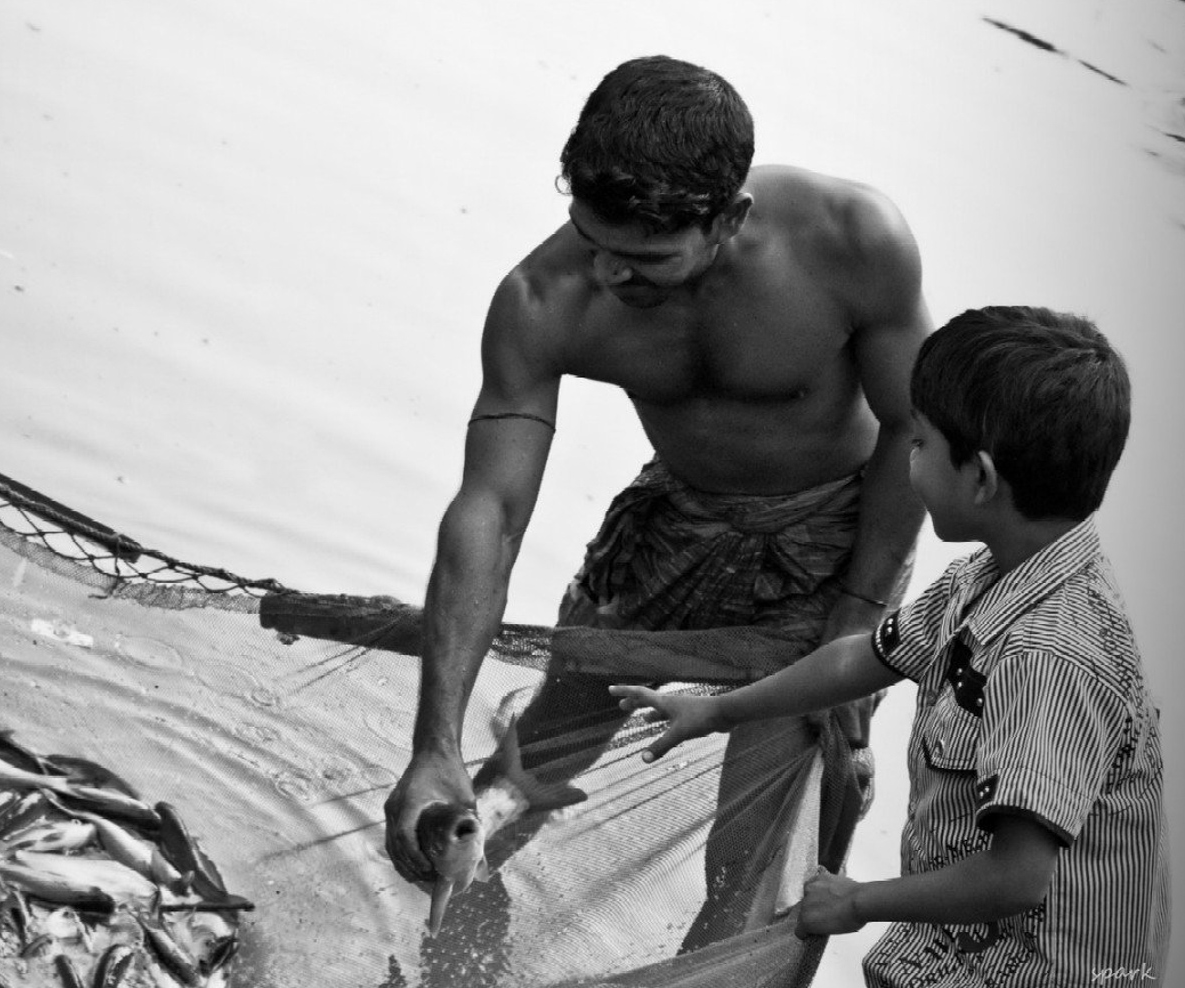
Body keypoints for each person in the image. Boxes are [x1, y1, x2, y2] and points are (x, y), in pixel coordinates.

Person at [384, 54, 931, 945]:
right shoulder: (539, 299)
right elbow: (491, 512)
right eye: (592, 241)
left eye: (645, 260)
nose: (609, 274)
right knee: (522, 774)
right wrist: (432, 742)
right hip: (672, 521)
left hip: (837, 546)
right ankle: (451, 942)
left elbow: (916, 428)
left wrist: (857, 619)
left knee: (749, 862)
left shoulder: (851, 241)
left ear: (729, 219)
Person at [611, 306, 1169, 984]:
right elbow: (863, 658)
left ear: (981, 479)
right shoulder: (987, 575)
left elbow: (1017, 877)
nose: (908, 458)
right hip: (953, 954)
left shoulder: (1051, 655)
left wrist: (857, 902)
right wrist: (718, 710)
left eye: (921, 444)